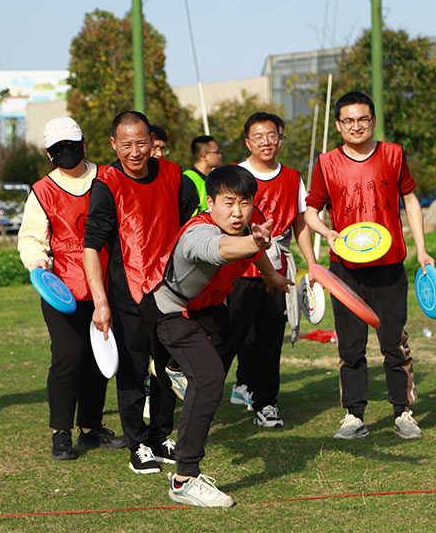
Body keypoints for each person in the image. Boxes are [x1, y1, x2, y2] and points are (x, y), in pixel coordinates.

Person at [154, 165, 290, 506]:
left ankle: (174, 368)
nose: (237, 212)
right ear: (211, 203)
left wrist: (270, 275)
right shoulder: (198, 233)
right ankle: (184, 480)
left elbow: (252, 249)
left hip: (209, 310)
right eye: (229, 203)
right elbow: (223, 249)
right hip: (172, 312)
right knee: (210, 379)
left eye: (245, 203)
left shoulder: (245, 225)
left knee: (217, 352)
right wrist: (252, 241)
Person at [304, 91, 433, 440]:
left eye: (363, 119)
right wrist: (328, 232)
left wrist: (421, 250)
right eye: (348, 120)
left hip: (389, 266)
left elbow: (410, 200)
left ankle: (403, 412)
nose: (356, 126)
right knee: (350, 346)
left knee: (394, 342)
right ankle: (353, 416)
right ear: (338, 125)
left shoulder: (394, 154)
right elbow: (311, 211)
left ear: (373, 120)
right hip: (345, 268)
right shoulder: (325, 163)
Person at [83, 111, 196, 474]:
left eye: (142, 143)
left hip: (170, 291)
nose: (135, 151)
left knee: (167, 368)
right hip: (127, 293)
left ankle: (161, 436)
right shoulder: (106, 185)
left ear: (153, 142)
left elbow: (192, 229)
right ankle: (137, 443)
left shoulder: (176, 177)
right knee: (132, 372)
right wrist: (100, 302)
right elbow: (91, 248)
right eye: (127, 144)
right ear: (113, 145)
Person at [17, 116, 125, 459]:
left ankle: (91, 429)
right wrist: (38, 261)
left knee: (98, 356)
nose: (67, 151)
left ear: (84, 144)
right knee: (68, 355)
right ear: (49, 153)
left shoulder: (110, 177)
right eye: (59, 148)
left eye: (72, 145)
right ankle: (61, 432)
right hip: (62, 289)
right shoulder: (42, 190)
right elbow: (30, 238)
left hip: (107, 285)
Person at [220, 112, 317, 428]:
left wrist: (312, 262)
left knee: (270, 339)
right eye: (258, 136)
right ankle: (204, 399)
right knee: (228, 338)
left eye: (272, 135)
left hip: (277, 270)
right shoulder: (232, 174)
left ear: (280, 139)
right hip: (239, 272)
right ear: (247, 142)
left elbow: (301, 223)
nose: (266, 142)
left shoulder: (292, 177)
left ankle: (266, 404)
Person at [182, 135, 223, 216]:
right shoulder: (186, 181)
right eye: (217, 152)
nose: (220, 155)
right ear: (205, 156)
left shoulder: (214, 179)